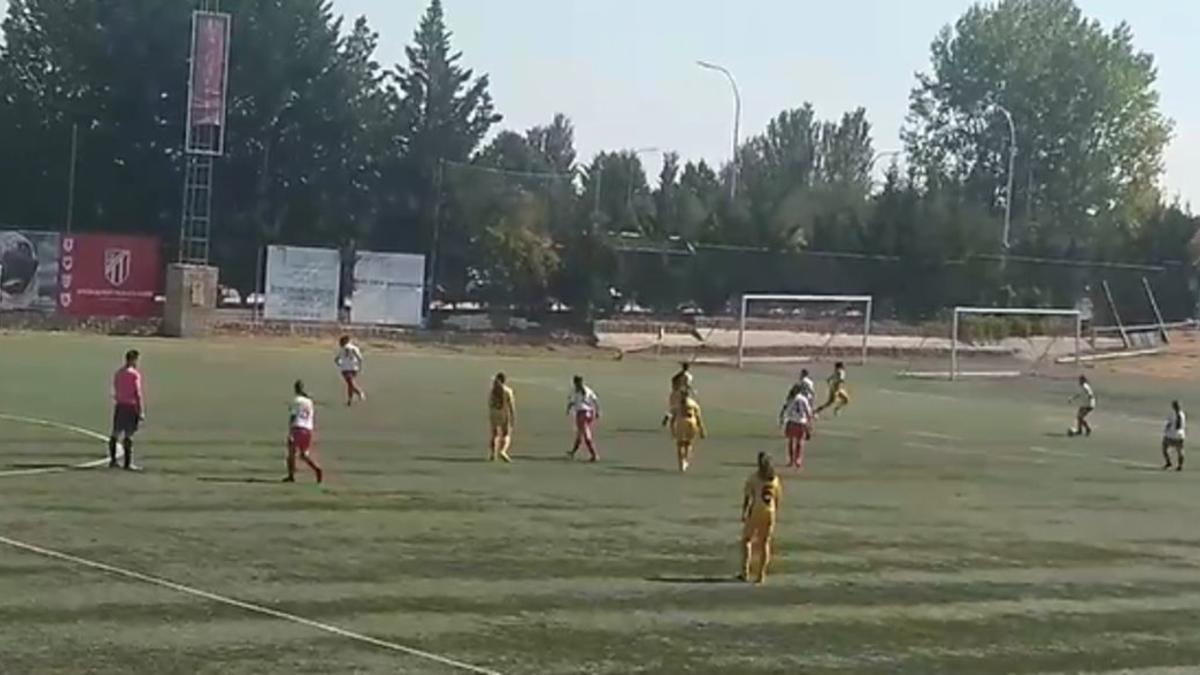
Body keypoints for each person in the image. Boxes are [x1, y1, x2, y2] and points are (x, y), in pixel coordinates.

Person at [739, 452, 782, 585]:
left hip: (756, 510)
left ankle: (745, 572)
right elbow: (778, 498)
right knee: (764, 543)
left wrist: (744, 512)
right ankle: (760, 575)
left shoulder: (754, 478)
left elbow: (748, 497)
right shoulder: (775, 479)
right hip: (770, 512)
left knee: (746, 540)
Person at [109, 349, 145, 471]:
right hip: (130, 406)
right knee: (129, 435)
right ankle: (128, 463)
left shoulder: (118, 373)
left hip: (120, 406)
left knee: (115, 433)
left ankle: (113, 460)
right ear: (134, 359)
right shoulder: (134, 374)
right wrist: (140, 410)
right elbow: (138, 393)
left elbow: (115, 388)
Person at [284, 379, 323, 484]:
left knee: (291, 453)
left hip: (298, 428)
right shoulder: (309, 402)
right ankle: (317, 468)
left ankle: (291, 476)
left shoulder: (296, 401)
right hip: (308, 429)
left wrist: (290, 431)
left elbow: (293, 416)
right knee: (303, 455)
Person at [779, 384, 814, 470]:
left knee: (791, 441)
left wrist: (783, 419)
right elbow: (808, 412)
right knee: (800, 442)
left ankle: (791, 460)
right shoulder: (804, 399)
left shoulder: (791, 399)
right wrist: (809, 423)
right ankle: (798, 460)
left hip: (792, 421)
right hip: (801, 422)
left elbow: (786, 409)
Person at [671, 388, 707, 472]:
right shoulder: (693, 404)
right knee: (688, 443)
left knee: (680, 444)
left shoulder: (677, 405)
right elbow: (698, 417)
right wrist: (702, 429)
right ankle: (686, 460)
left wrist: (672, 429)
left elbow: (672, 417)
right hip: (691, 423)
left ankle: (682, 462)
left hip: (680, 423)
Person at [566, 375, 601, 462]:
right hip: (590, 413)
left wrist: (568, 409)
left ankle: (594, 455)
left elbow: (572, 402)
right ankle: (573, 452)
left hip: (582, 414)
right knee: (580, 433)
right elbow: (595, 400)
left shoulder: (575, 391)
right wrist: (597, 411)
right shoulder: (587, 389)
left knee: (585, 434)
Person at [488, 373, 516, 463]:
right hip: (504, 414)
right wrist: (512, 416)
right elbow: (511, 405)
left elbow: (489, 403)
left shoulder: (492, 390)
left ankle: (492, 454)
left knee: (494, 434)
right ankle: (503, 451)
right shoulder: (508, 391)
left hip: (494, 413)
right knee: (506, 434)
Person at [334, 335, 366, 406]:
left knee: (350, 383)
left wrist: (340, 364)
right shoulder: (354, 348)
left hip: (345, 368)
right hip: (353, 367)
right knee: (350, 384)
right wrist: (360, 366)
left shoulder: (343, 348)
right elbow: (360, 358)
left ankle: (360, 393)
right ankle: (350, 400)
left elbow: (336, 359)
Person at [662, 362, 694, 427]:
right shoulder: (688, 376)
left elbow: (673, 381)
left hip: (673, 393)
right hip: (681, 394)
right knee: (682, 409)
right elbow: (687, 385)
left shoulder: (677, 376)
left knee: (672, 409)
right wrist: (692, 391)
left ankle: (668, 416)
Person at [1162, 400, 1186, 471]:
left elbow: (1168, 424)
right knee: (1180, 450)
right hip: (1180, 434)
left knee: (1164, 448)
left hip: (1171, 434)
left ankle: (1168, 462)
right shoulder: (1182, 414)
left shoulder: (1172, 414)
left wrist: (1165, 430)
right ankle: (1180, 466)